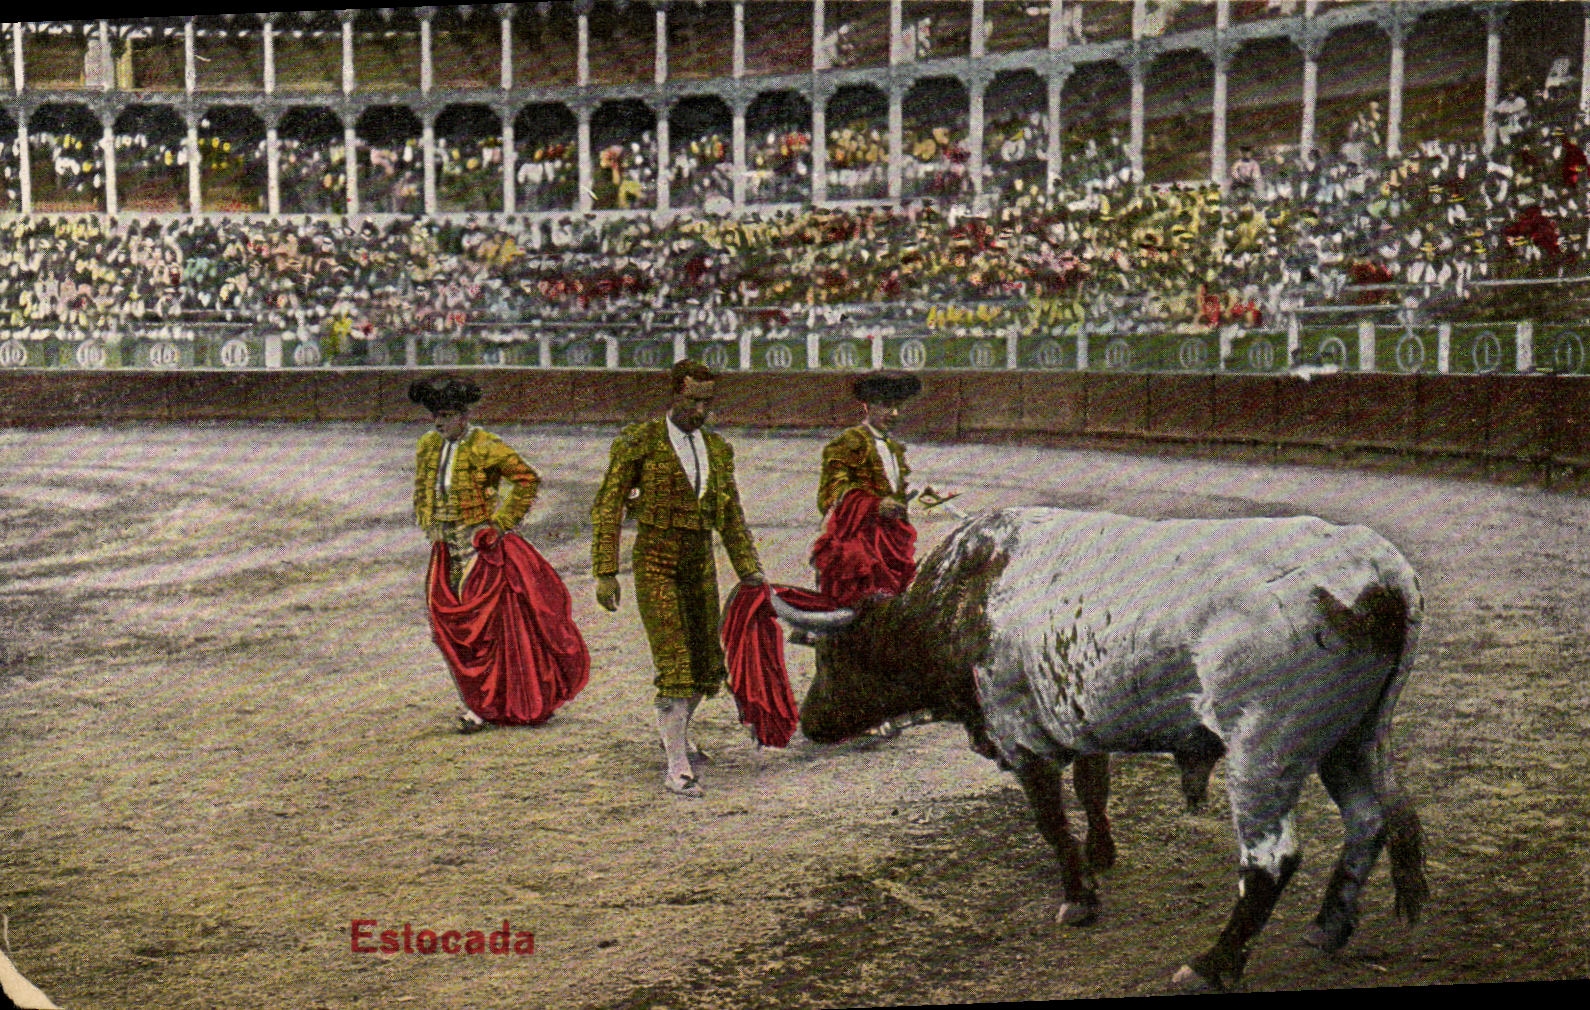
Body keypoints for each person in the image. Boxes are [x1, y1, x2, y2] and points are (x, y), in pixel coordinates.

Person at [591, 360, 766, 799]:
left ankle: (678, 736)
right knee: (674, 663)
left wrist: (750, 571)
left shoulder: (718, 449)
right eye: (693, 400)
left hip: (700, 562)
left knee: (708, 662)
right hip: (656, 560)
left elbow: (731, 516)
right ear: (673, 395)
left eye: (708, 401)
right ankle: (676, 765)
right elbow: (609, 505)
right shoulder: (640, 441)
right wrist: (606, 571)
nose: (701, 410)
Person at [410, 375, 589, 734]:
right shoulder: (428, 446)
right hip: (446, 545)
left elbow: (527, 479)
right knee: (453, 625)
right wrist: (427, 520)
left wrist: (501, 523)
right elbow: (422, 487)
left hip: (480, 544)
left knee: (487, 626)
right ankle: (479, 701)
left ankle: (489, 706)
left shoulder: (485, 446)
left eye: (446, 415)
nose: (439, 423)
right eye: (436, 416)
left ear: (463, 415)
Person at [811, 371, 922, 608]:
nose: (893, 414)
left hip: (892, 540)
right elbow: (832, 493)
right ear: (868, 406)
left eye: (897, 407)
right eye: (885, 406)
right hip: (860, 536)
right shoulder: (848, 442)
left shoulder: (893, 448)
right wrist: (875, 505)